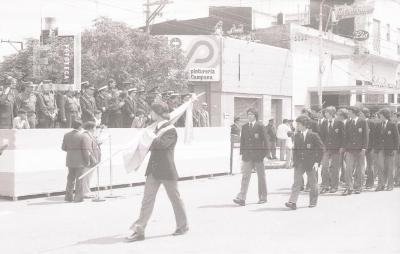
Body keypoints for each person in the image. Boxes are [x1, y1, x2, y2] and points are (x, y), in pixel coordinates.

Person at [127, 102, 188, 242]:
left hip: (166, 170)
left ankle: (183, 226)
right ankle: (139, 230)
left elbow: (161, 146)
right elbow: (147, 147)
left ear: (158, 113)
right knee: (147, 200)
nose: (150, 114)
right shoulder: (154, 129)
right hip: (153, 170)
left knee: (175, 199)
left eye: (152, 112)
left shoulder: (171, 130)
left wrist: (148, 137)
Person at [285, 115, 324, 210]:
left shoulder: (313, 135)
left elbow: (321, 149)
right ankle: (292, 202)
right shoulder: (297, 135)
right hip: (299, 163)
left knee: (313, 183)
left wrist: (317, 162)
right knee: (296, 183)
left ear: (305, 125)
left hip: (311, 163)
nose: (297, 126)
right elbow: (296, 150)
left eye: (298, 124)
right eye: (297, 124)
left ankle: (313, 201)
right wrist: (294, 161)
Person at [233, 108, 268, 206]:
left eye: (251, 114)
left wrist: (265, 155)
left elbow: (266, 141)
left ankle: (263, 197)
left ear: (255, 116)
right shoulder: (244, 127)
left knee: (261, 177)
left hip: (258, 156)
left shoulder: (260, 126)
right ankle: (242, 198)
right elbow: (243, 141)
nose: (249, 116)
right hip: (247, 156)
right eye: (248, 114)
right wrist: (242, 154)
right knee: (245, 177)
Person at [343, 106, 368, 195]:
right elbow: (345, 137)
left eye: (349, 112)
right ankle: (349, 187)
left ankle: (359, 187)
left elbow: (365, 136)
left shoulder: (362, 122)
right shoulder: (348, 123)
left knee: (360, 169)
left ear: (354, 112)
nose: (348, 114)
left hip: (360, 149)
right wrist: (346, 148)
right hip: (350, 149)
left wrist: (364, 148)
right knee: (348, 169)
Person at [61, 120, 88, 202]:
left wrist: (71, 151)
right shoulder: (82, 136)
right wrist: (87, 161)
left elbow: (63, 148)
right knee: (79, 179)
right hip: (80, 161)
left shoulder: (66, 135)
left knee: (70, 179)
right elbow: (85, 150)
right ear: (80, 126)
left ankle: (68, 197)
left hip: (70, 160)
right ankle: (78, 198)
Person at [319, 106, 344, 194]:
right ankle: (325, 185)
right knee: (324, 167)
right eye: (325, 112)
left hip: (336, 149)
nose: (325, 114)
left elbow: (342, 136)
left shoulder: (339, 123)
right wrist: (322, 146)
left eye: (327, 112)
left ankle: (334, 186)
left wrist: (341, 147)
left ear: (331, 113)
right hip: (326, 149)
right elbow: (321, 136)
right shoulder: (324, 123)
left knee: (335, 168)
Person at [374, 108, 399, 191]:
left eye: (380, 115)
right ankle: (381, 184)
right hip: (380, 150)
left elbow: (396, 138)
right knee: (380, 167)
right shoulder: (378, 125)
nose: (379, 116)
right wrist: (376, 147)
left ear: (384, 115)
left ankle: (390, 185)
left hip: (390, 150)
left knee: (390, 167)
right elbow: (376, 137)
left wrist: (395, 148)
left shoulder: (392, 125)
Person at [81, 121, 101, 199]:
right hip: (89, 160)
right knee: (85, 176)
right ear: (92, 128)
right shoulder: (86, 135)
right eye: (95, 127)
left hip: (93, 159)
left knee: (88, 177)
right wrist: (91, 159)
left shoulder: (90, 135)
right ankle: (85, 192)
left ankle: (87, 190)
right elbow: (87, 149)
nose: (95, 129)